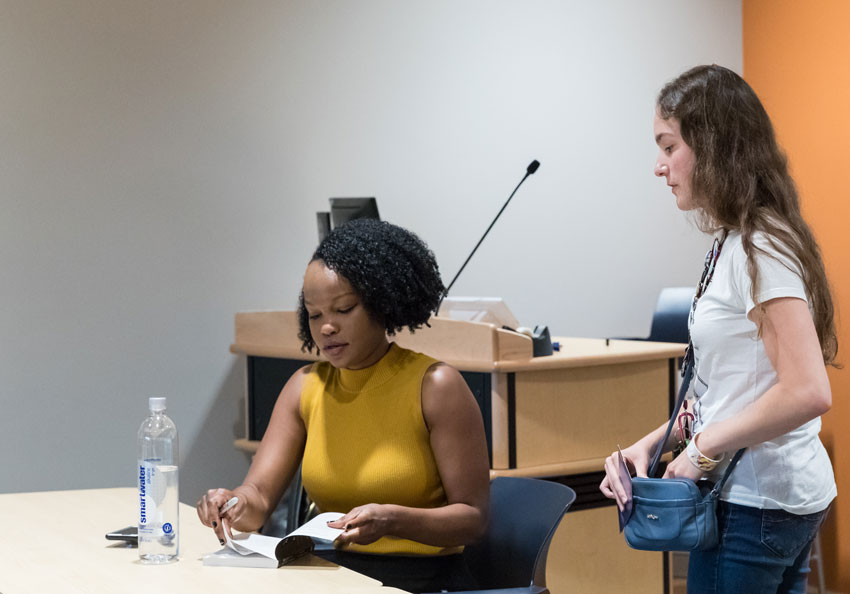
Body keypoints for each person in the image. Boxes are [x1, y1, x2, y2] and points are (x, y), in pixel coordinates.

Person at [600, 65, 837, 594]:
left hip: (755, 503)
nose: (659, 167)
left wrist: (698, 452)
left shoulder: (761, 246)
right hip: (768, 498)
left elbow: (807, 390)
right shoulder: (735, 240)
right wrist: (653, 444)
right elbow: (729, 390)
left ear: (711, 146)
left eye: (668, 146)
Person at [197, 218, 490, 593]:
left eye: (344, 309)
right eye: (314, 315)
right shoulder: (305, 386)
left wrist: (393, 521)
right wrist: (232, 503)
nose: (326, 328)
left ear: (382, 304)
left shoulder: (435, 386)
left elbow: (474, 519)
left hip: (419, 577)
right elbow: (258, 497)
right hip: (331, 571)